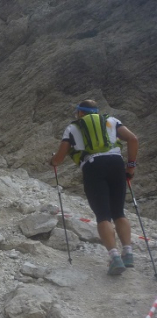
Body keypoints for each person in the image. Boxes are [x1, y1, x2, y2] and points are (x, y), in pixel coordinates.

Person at [49, 99, 139, 275]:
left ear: (80, 112)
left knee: (103, 215)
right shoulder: (111, 121)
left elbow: (59, 157)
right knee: (118, 212)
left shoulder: (73, 127)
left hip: (93, 166)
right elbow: (133, 139)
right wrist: (131, 166)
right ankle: (128, 253)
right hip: (116, 164)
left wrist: (52, 161)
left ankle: (115, 258)